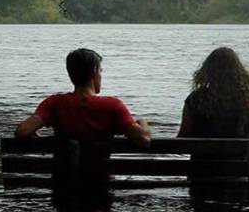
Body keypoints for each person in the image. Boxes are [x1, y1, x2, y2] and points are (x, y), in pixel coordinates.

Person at [16, 48, 151, 147]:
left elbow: (23, 131)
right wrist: (142, 121)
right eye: (101, 71)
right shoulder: (112, 106)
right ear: (94, 72)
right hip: (101, 182)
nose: (101, 76)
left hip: (62, 181)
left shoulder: (53, 103)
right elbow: (144, 139)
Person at [177, 47, 249, 138]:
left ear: (207, 70)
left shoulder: (196, 99)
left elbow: (183, 138)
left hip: (203, 152)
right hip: (239, 152)